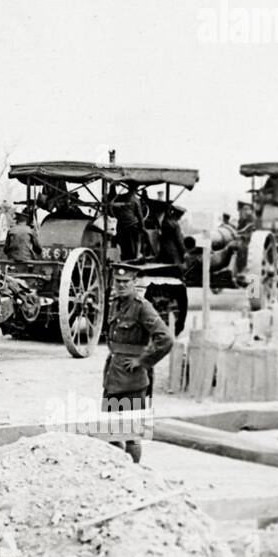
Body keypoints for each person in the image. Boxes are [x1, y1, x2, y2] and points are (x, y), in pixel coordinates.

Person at [102, 263, 174, 464]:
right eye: (118, 281)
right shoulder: (115, 303)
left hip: (133, 381)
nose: (121, 285)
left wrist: (143, 361)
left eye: (126, 282)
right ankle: (117, 471)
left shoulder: (142, 307)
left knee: (132, 434)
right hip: (113, 377)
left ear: (135, 283)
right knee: (111, 431)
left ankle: (134, 471)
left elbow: (166, 339)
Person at [110, 182, 144, 261]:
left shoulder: (121, 197)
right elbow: (140, 215)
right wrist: (143, 227)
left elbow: (113, 207)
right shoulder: (136, 200)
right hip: (132, 225)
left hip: (121, 224)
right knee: (139, 238)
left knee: (123, 244)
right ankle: (137, 256)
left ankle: (125, 257)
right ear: (135, 190)